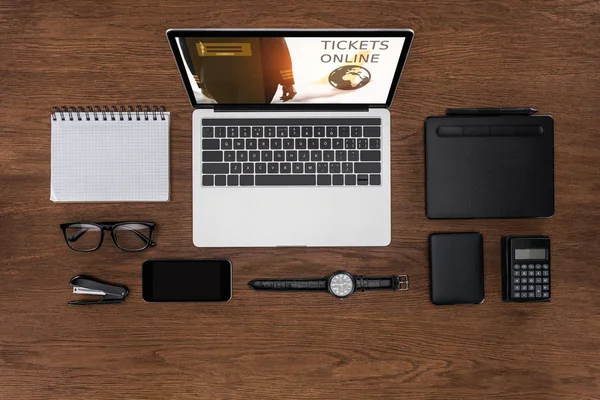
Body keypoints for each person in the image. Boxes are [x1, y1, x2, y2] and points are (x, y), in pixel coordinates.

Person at [179, 37, 297, 104]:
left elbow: (188, 46)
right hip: (257, 76)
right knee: (252, 123)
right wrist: (287, 80)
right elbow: (274, 43)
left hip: (214, 76)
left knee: (233, 121)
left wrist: (201, 82)